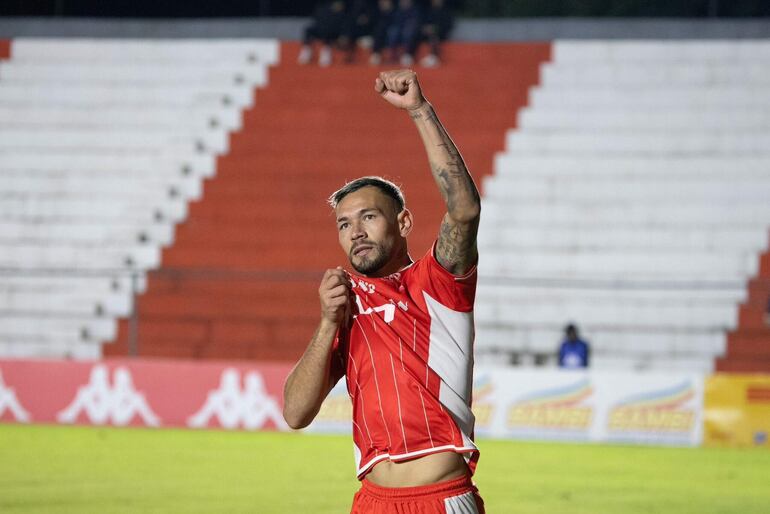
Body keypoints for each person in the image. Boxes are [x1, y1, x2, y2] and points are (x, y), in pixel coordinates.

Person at [283, 69, 485, 513]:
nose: (355, 231)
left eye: (369, 217)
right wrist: (326, 325)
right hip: (372, 502)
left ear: (404, 223)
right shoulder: (345, 307)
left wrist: (418, 110)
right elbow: (295, 413)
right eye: (344, 223)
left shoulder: (437, 283)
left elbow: (465, 209)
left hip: (440, 499)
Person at [298, 1, 348, 67]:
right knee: (309, 30)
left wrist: (345, 34)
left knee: (327, 30)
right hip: (322, 28)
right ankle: (307, 50)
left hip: (335, 30)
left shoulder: (340, 6)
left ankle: (326, 51)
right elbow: (317, 20)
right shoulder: (322, 7)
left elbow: (343, 21)